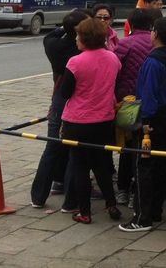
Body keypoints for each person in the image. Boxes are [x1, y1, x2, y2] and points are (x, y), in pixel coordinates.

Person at [119, 17, 166, 232]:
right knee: (160, 166)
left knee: (143, 167)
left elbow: (149, 94)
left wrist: (145, 122)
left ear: (156, 33)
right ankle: (155, 209)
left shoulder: (153, 62)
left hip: (151, 121)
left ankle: (141, 217)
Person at [60, 16, 122, 224]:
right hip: (104, 119)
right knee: (103, 164)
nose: (76, 39)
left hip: (77, 121)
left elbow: (65, 92)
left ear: (84, 38)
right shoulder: (113, 59)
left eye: (78, 35)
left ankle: (84, 211)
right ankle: (111, 204)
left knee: (80, 167)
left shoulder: (75, 62)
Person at [31, 8, 89, 209]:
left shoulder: (53, 44)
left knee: (52, 146)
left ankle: (38, 196)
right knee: (75, 150)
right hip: (76, 101)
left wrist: (65, 27)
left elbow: (51, 34)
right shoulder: (82, 53)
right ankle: (70, 201)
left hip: (58, 100)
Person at [112, 9, 156, 204]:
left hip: (127, 103)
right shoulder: (157, 44)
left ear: (130, 23)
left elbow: (115, 71)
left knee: (128, 145)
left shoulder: (124, 44)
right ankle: (137, 191)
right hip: (151, 104)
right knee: (146, 148)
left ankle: (122, 189)